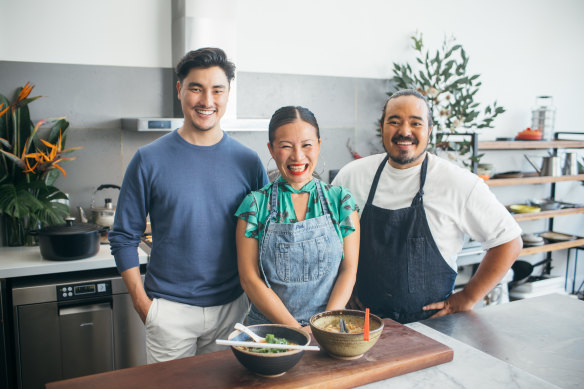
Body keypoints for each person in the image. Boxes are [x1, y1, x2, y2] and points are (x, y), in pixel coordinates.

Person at [109, 47, 268, 362]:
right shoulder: (148, 160)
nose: (207, 101)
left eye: (217, 90)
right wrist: (145, 306)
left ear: (227, 94)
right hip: (169, 312)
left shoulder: (249, 162)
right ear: (180, 89)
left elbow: (266, 234)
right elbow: (124, 236)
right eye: (196, 88)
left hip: (232, 310)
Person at [332, 89, 522, 324]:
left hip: (432, 326)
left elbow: (509, 241)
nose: (404, 131)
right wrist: (343, 290)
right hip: (361, 325)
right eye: (394, 121)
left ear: (429, 131)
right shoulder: (351, 176)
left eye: (416, 123)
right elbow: (329, 240)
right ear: (381, 127)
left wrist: (466, 298)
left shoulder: (459, 183)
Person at [235, 106, 360, 328]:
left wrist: (324, 325)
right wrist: (297, 330)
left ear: (319, 145)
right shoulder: (254, 205)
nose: (298, 156)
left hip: (328, 329)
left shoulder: (341, 202)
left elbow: (348, 270)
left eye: (307, 145)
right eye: (285, 146)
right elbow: (250, 279)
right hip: (269, 332)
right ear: (271, 150)